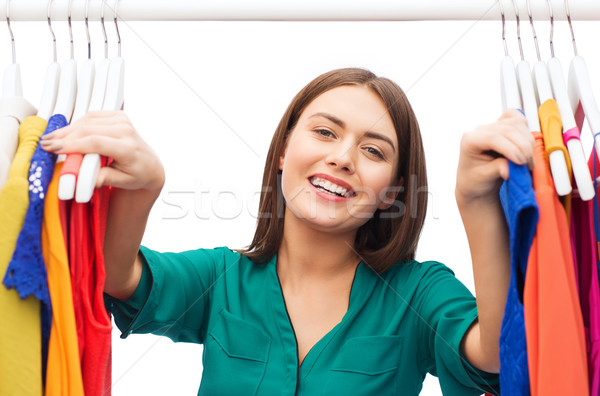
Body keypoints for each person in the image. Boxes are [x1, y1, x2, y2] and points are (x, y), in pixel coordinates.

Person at [40, 68, 532, 395]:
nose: (341, 156)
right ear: (283, 151)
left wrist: (476, 203)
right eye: (325, 132)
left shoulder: (418, 294)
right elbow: (115, 276)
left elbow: (493, 354)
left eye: (374, 151)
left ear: (391, 191)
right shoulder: (221, 278)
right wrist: (141, 192)